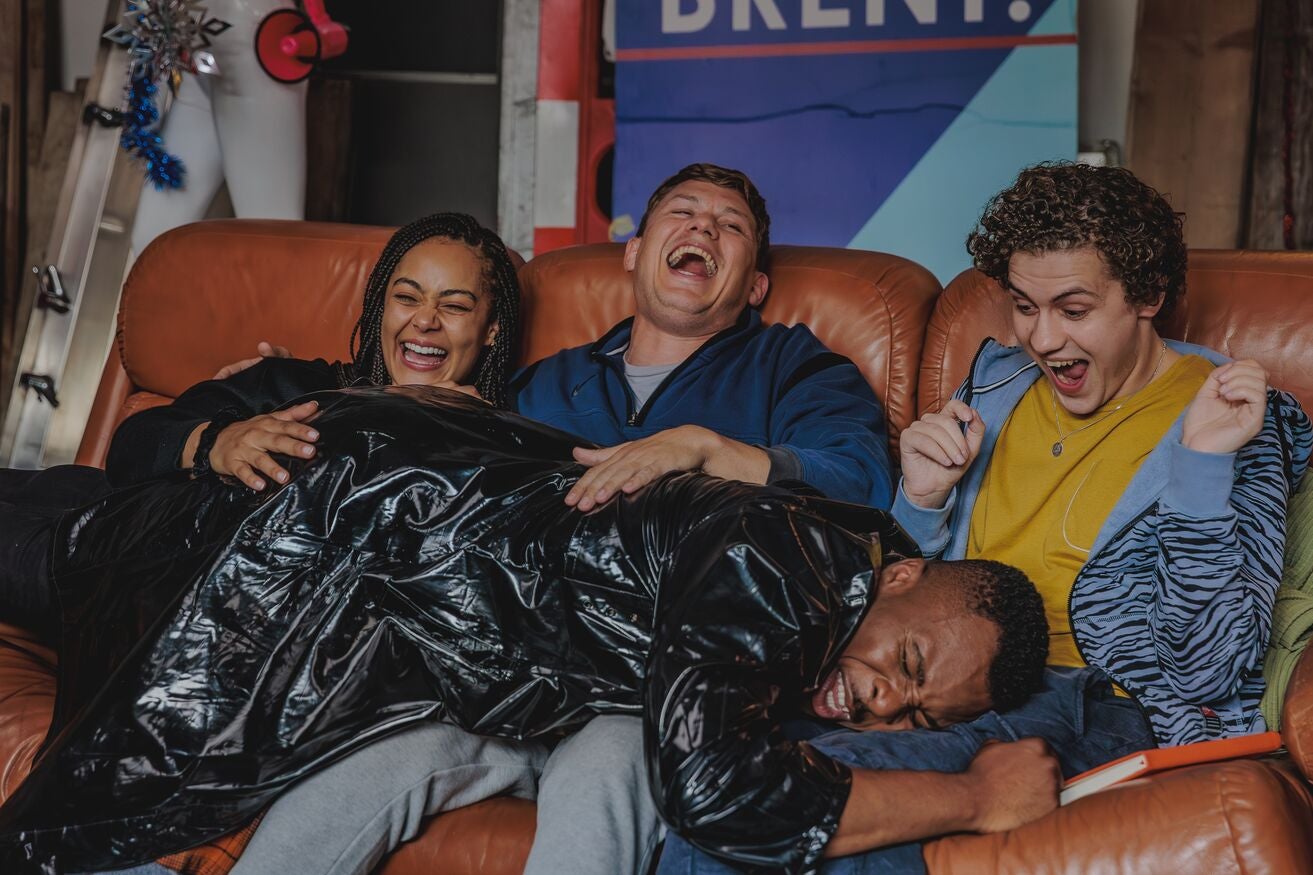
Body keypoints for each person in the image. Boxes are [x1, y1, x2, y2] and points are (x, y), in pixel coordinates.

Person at [0, 385, 1056, 873]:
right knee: (73, 576)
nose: (880, 699)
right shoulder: (784, 566)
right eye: (903, 663)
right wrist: (970, 796)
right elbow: (719, 790)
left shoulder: (831, 567)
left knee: (63, 522)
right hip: (306, 538)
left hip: (350, 527)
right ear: (899, 572)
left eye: (911, 710)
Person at [223, 163, 898, 875]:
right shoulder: (540, 382)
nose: (702, 227)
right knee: (348, 787)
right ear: (634, 253)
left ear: (755, 284)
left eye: (729, 225)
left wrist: (704, 449)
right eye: (682, 212)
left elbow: (859, 481)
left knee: (598, 793)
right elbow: (422, 417)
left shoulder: (793, 365)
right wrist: (276, 382)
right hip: (493, 686)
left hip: (644, 694)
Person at [657, 162, 1313, 873]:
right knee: (715, 762)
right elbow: (908, 592)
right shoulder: (993, 383)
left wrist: (1201, 466)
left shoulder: (1229, 418)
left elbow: (1205, 670)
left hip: (1089, 698)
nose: (1043, 338)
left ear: (1147, 295)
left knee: (766, 798)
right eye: (1024, 306)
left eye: (1072, 308)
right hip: (946, 678)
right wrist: (922, 498)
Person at [0, 210, 521, 642]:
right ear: (382, 308)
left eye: (454, 306)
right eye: (406, 298)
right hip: (88, 499)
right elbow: (131, 445)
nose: (424, 321)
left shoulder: (495, 445)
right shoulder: (298, 383)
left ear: (492, 329)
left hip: (100, 565)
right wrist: (217, 442)